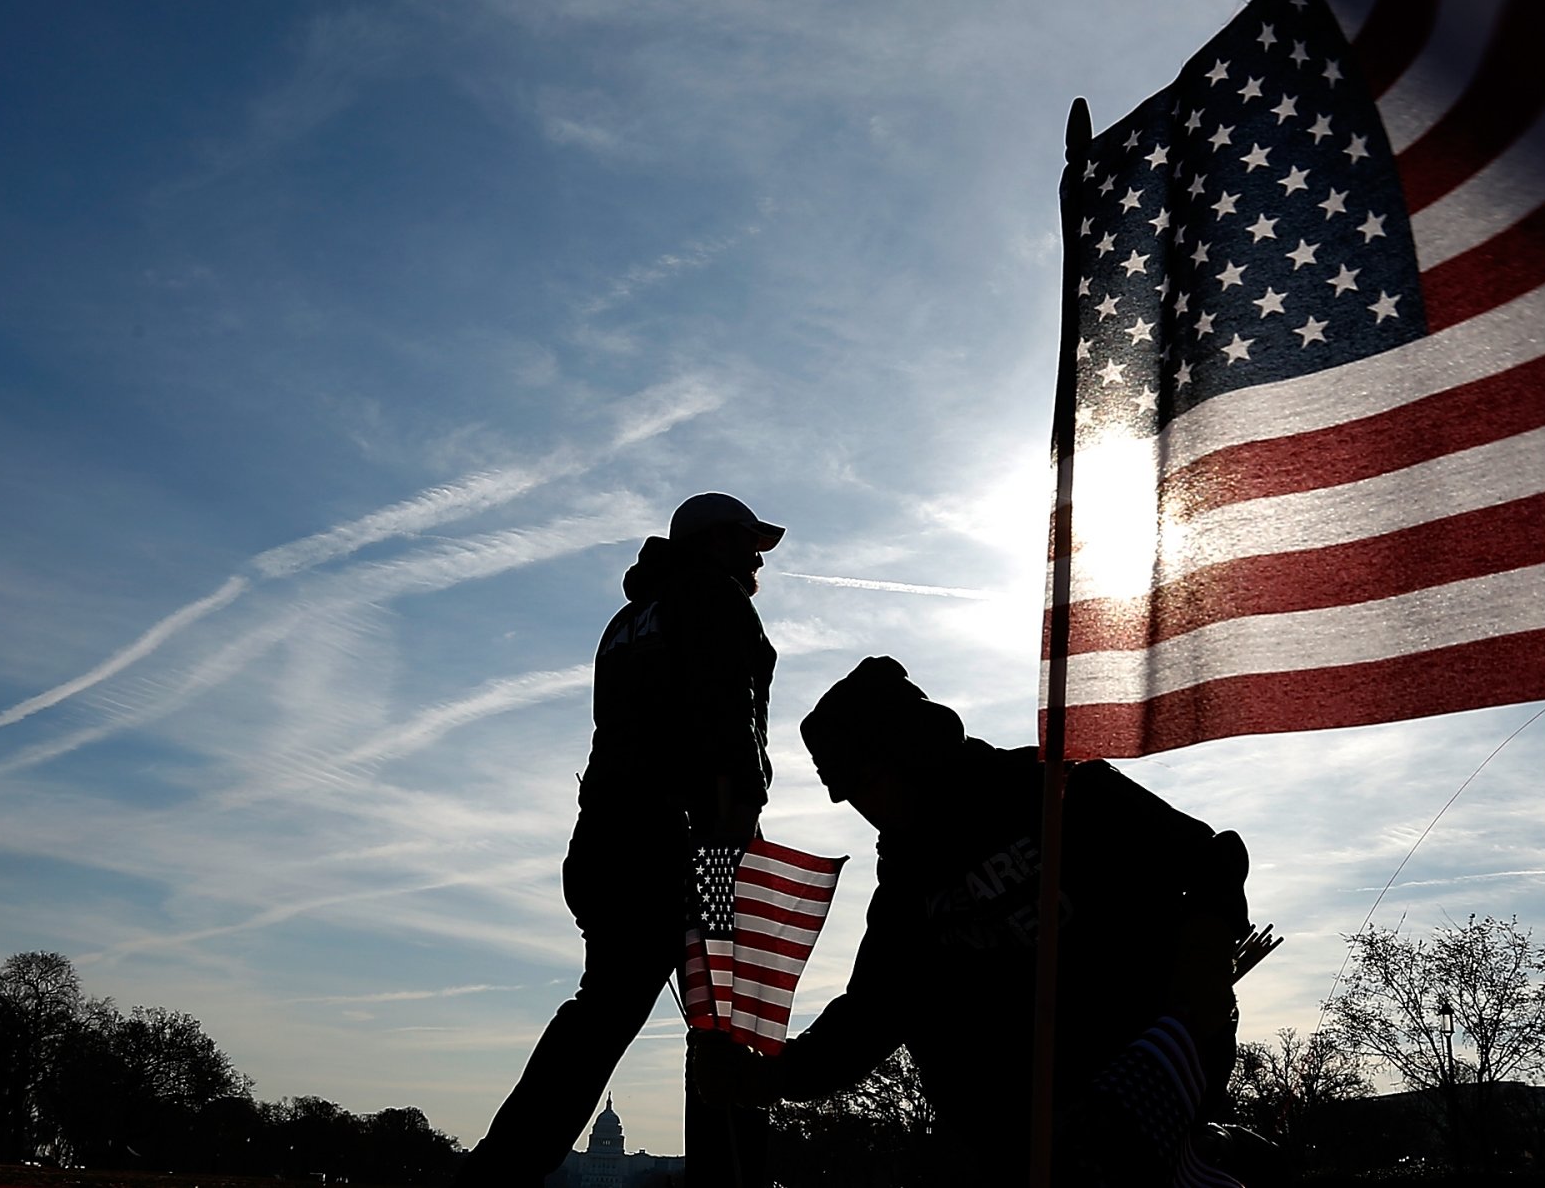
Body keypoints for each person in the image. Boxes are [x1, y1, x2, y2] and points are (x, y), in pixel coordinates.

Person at [693, 657, 1254, 1187]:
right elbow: (875, 1011)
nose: (863, 807)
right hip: (1021, 1131)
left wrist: (1201, 964)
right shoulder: (908, 879)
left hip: (1142, 1063)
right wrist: (775, 1074)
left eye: (865, 782)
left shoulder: (1049, 789)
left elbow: (1212, 859)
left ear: (908, 751)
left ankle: (1221, 1160)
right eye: (847, 795)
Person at [455, 493, 785, 1188]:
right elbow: (725, 721)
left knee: (599, 1015)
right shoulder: (712, 596)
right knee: (725, 1022)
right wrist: (732, 834)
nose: (758, 558)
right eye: (747, 542)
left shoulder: (628, 619)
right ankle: (730, 1180)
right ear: (714, 543)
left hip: (607, 837)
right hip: (689, 839)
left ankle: (497, 1171)